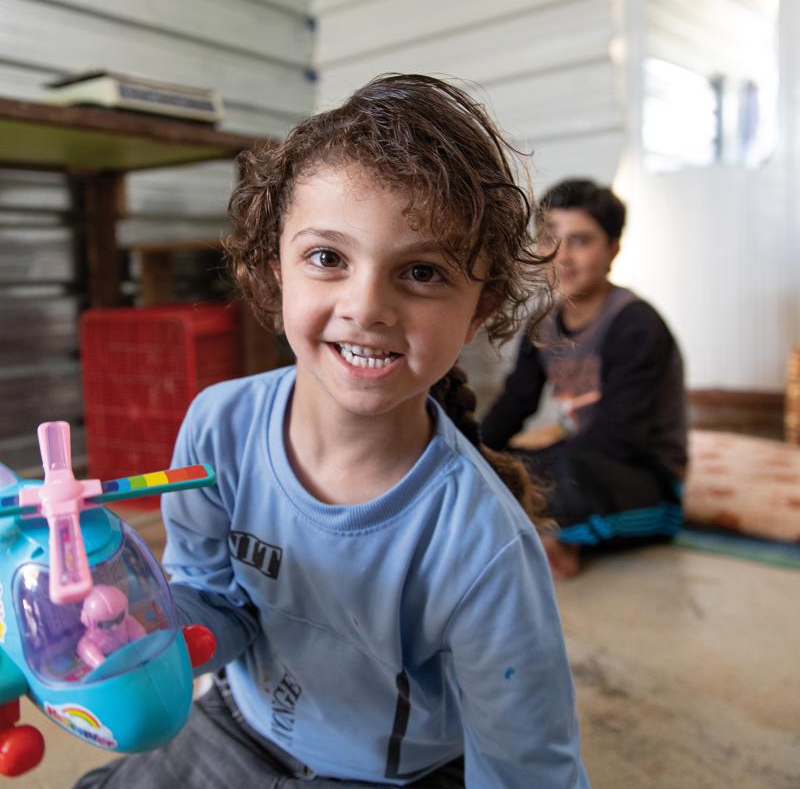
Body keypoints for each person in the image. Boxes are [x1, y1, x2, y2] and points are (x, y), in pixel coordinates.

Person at [74, 75, 589, 788]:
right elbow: (215, 603)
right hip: (237, 726)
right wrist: (142, 624)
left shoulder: (483, 547)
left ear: (480, 310)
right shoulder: (218, 430)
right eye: (328, 258)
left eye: (420, 270)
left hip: (388, 777)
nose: (366, 306)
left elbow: (528, 768)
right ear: (273, 266)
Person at [481, 179, 687, 579]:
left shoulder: (635, 324)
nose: (562, 256)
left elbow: (622, 437)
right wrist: (476, 456)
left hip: (641, 478)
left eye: (581, 240)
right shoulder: (543, 326)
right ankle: (538, 527)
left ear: (613, 250)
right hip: (574, 460)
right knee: (501, 467)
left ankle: (556, 540)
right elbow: (514, 404)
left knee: (559, 474)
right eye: (550, 239)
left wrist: (535, 471)